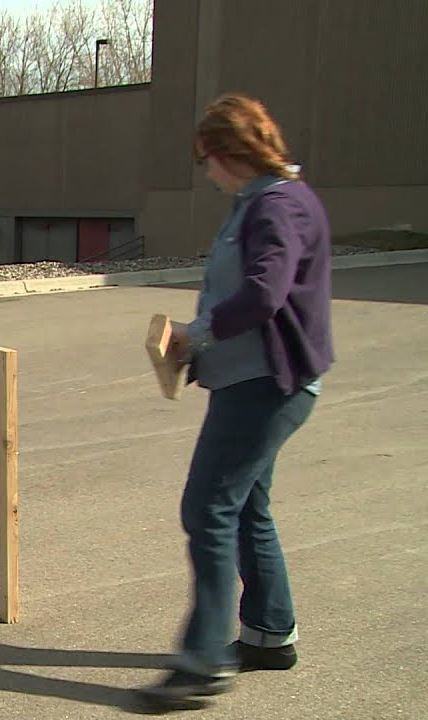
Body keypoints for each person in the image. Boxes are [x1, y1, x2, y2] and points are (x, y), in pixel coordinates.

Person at [137, 93, 334, 710]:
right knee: (246, 506)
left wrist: (197, 334)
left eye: (206, 160)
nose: (206, 173)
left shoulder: (277, 205)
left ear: (231, 152)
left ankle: (201, 662)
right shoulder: (262, 201)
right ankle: (270, 633)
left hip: (265, 386)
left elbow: (264, 294)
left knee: (208, 510)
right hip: (253, 382)